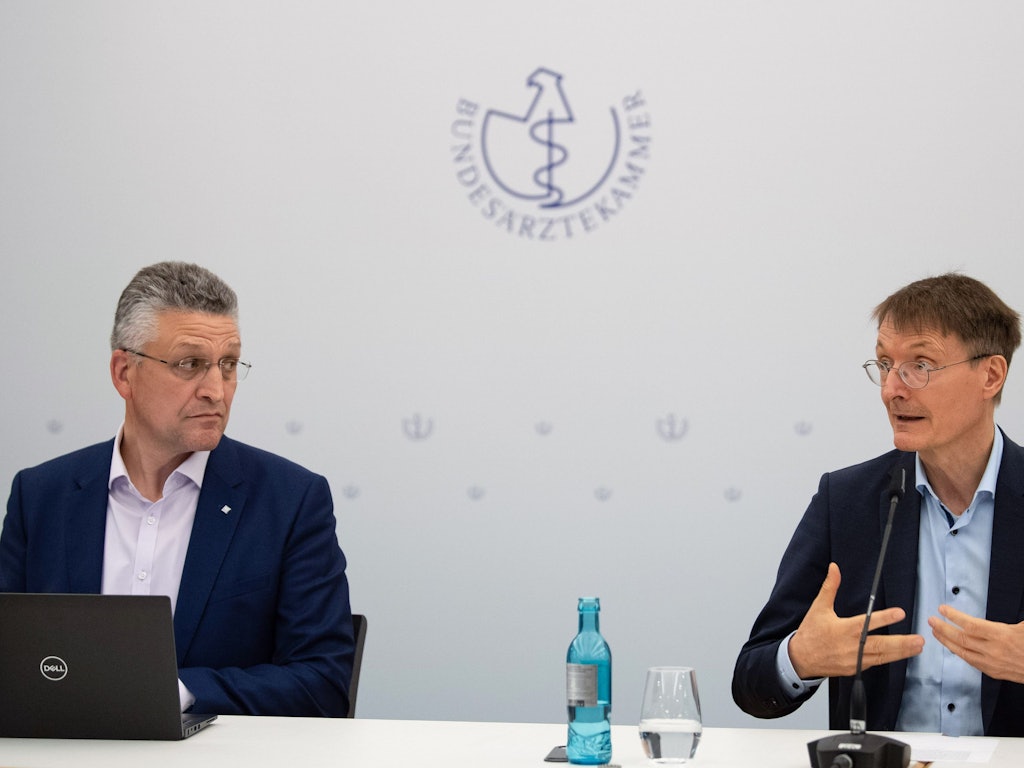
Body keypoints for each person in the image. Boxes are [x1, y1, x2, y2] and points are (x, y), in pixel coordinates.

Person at [0, 261, 356, 717]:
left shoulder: (289, 501)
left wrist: (177, 692)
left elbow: (322, 682)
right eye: (190, 364)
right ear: (124, 373)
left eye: (228, 365)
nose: (216, 390)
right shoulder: (41, 496)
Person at [732, 272, 1024, 737]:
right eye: (885, 365)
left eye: (920, 366)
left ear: (990, 375)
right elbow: (751, 683)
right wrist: (801, 659)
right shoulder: (847, 502)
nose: (892, 389)